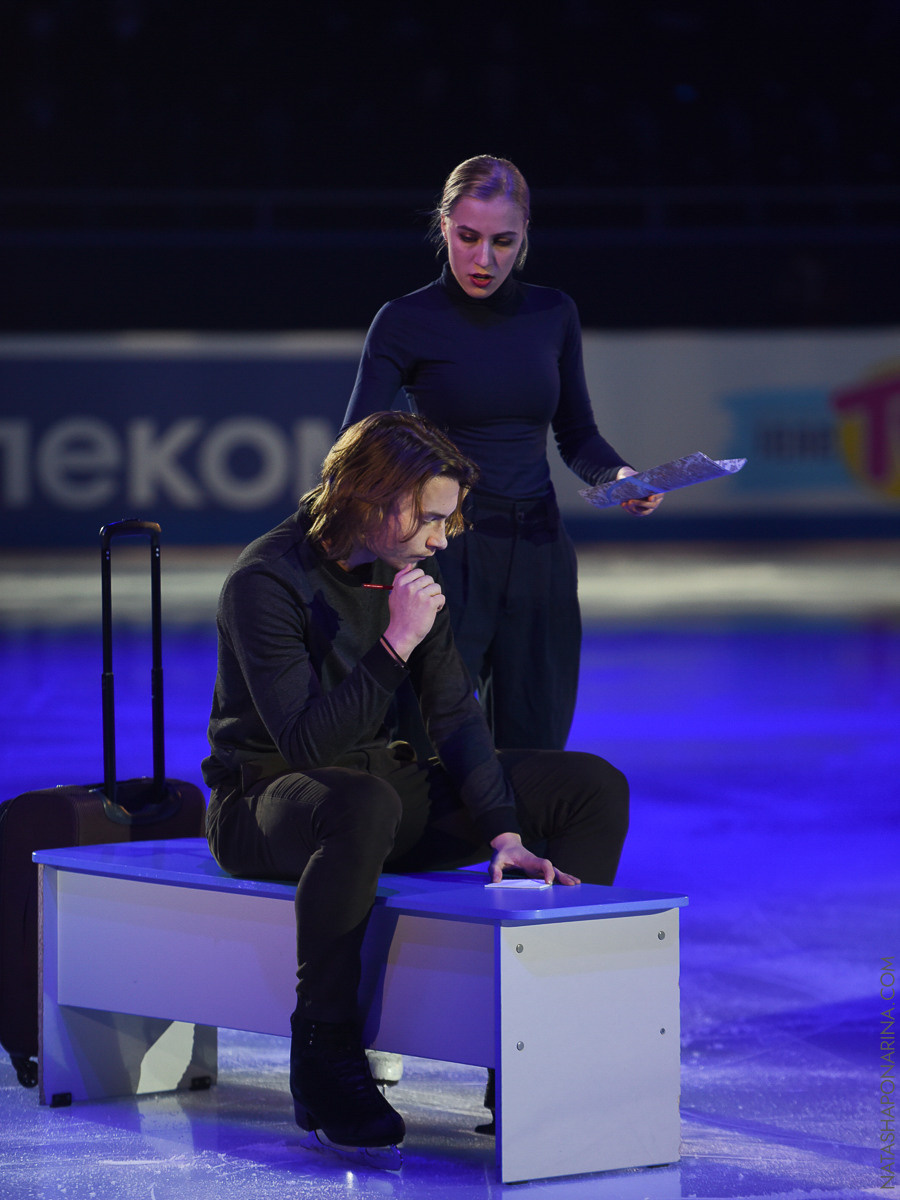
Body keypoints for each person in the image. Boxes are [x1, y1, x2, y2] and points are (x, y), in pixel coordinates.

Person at [201, 411, 630, 1164]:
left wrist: (503, 829)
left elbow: (455, 715)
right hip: (266, 799)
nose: (441, 539)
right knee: (362, 802)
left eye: (448, 520)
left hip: (373, 791)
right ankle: (323, 1051)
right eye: (430, 518)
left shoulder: (405, 575)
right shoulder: (266, 580)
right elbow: (306, 746)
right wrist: (396, 639)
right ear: (369, 496)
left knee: (588, 785)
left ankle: (541, 1044)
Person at [343, 154, 662, 753]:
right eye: (468, 237)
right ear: (444, 226)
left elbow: (577, 434)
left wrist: (621, 475)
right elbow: (356, 446)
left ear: (524, 236)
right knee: (426, 745)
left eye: (503, 241)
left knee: (537, 749)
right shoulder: (404, 320)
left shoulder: (554, 312)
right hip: (446, 550)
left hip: (540, 550)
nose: (484, 259)